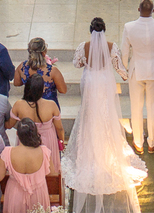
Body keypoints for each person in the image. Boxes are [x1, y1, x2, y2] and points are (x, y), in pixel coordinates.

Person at [62, 17, 147, 213]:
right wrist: (126, 76)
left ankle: (89, 150)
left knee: (89, 114)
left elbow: (76, 64)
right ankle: (107, 153)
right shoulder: (111, 46)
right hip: (104, 82)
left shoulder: (84, 46)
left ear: (90, 30)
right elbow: (118, 67)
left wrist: (87, 62)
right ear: (105, 30)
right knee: (106, 116)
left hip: (91, 81)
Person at [119, 0, 154, 153]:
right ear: (153, 10)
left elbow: (125, 52)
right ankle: (152, 141)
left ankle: (138, 142)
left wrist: (125, 70)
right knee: (153, 107)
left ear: (138, 9)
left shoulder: (129, 27)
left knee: (136, 107)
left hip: (136, 71)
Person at [0, 118, 53, 213]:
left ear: (17, 134)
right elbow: (52, 173)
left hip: (15, 195)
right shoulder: (44, 151)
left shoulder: (7, 152)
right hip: (38, 194)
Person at [11, 73, 65, 174]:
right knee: (49, 169)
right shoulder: (51, 105)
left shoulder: (19, 105)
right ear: (42, 90)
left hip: (26, 139)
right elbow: (60, 128)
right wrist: (61, 140)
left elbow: (10, 124)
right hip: (48, 140)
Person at [14, 37, 68, 105]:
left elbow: (16, 83)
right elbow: (63, 90)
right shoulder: (52, 71)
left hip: (29, 107)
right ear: (44, 51)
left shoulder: (22, 66)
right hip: (49, 109)